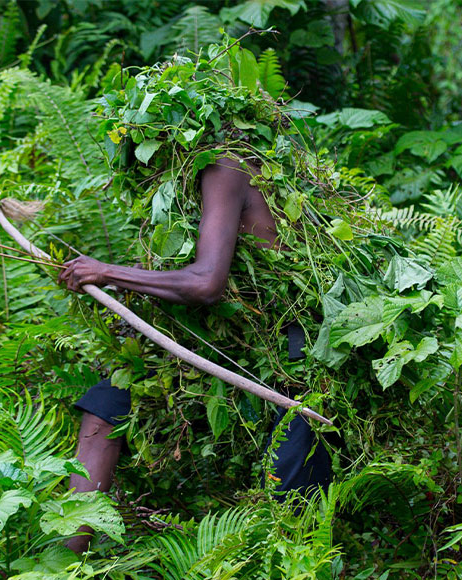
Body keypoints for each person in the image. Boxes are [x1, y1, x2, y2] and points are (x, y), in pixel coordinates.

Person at [57, 157, 332, 554]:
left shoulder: (224, 166)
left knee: (290, 504)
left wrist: (108, 273)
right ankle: (65, 563)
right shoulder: (183, 184)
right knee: (106, 404)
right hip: (232, 341)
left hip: (290, 351)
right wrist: (131, 283)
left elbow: (205, 284)